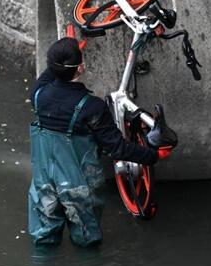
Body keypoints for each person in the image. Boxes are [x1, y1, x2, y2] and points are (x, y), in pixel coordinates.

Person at [28, 37, 163, 247]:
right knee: (86, 241)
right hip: (79, 188)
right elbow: (117, 148)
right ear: (80, 68)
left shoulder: (38, 95)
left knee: (44, 240)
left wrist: (65, 54)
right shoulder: (91, 107)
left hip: (43, 184)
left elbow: (48, 75)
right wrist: (153, 156)